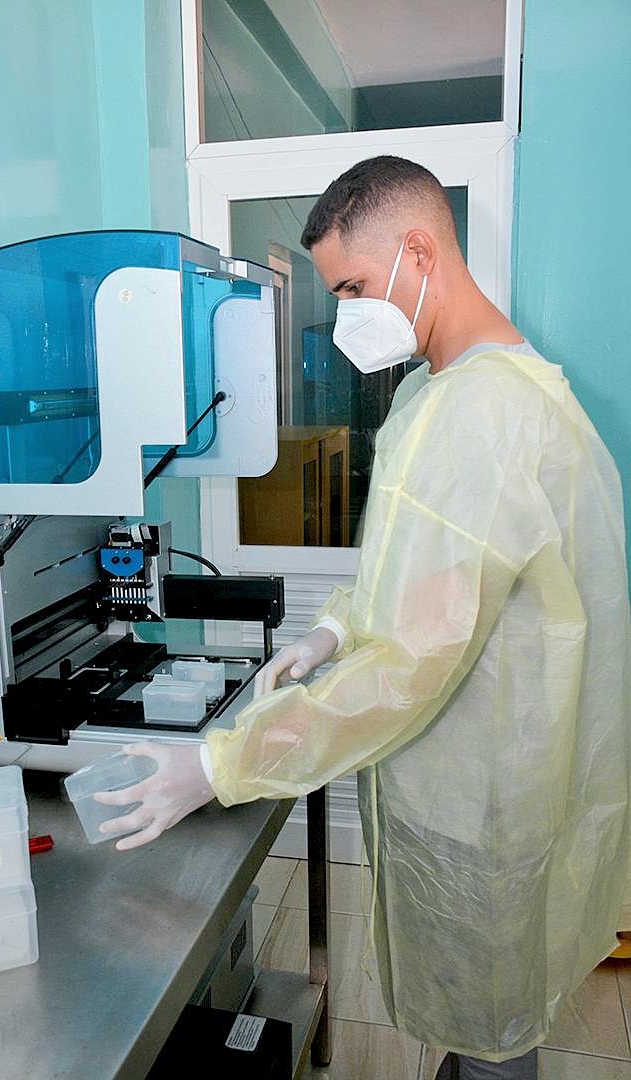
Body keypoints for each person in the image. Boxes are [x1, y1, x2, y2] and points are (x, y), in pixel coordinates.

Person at [95, 156, 631, 1080]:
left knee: (493, 1030)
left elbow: (411, 663)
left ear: (419, 252)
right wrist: (333, 629)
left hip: (486, 793)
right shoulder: (468, 389)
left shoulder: (480, 416)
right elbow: (410, 574)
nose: (344, 314)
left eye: (349, 286)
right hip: (501, 773)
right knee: (483, 1028)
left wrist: (220, 764)